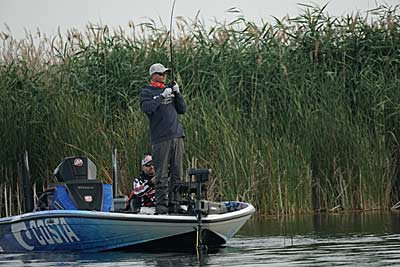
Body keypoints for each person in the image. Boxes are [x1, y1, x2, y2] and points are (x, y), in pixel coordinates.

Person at [140, 63, 186, 214]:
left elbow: (182, 109)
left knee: (177, 173)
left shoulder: (169, 90)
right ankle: (161, 206)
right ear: (153, 75)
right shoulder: (147, 92)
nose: (163, 76)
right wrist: (161, 96)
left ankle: (175, 203)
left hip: (177, 135)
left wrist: (177, 94)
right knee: (161, 175)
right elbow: (147, 108)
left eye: (165, 73)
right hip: (161, 138)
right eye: (160, 74)